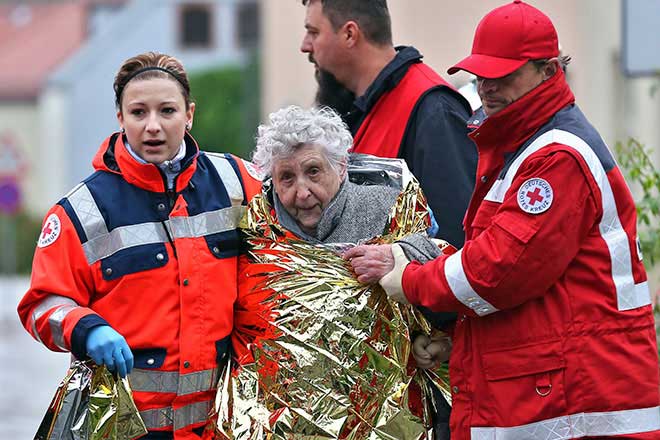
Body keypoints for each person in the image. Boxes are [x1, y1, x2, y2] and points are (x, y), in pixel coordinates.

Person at [345, 2, 660, 439]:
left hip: (578, 403)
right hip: (558, 394)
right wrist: (462, 344)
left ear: (549, 71)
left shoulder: (557, 156)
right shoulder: (522, 145)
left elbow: (497, 272)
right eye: (481, 75)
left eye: (503, 75)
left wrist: (411, 278)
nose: (488, 87)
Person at [17, 52, 261, 439]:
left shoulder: (237, 184)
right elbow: (42, 305)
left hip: (221, 425)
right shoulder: (81, 212)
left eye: (167, 111)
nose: (153, 127)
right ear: (120, 119)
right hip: (125, 427)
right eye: (138, 113)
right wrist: (88, 329)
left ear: (189, 114)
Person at [223, 105, 449, 438]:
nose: (301, 192)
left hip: (380, 418)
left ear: (341, 167)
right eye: (286, 178)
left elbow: (443, 273)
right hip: (274, 424)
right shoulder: (253, 230)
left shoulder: (388, 210)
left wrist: (400, 257)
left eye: (313, 172)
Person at [300, 0, 476, 251]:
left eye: (314, 32)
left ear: (350, 34)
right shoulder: (353, 110)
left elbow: (457, 240)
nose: (305, 46)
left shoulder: (433, 109)